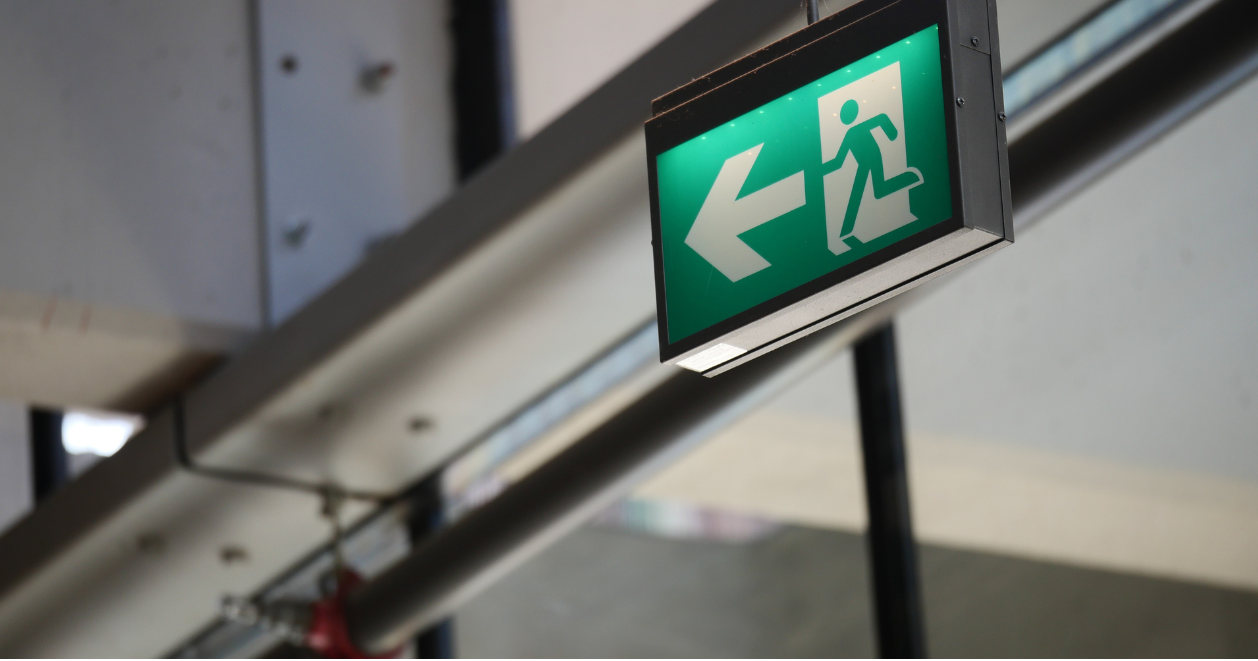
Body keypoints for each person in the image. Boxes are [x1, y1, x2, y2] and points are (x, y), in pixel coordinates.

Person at [833, 98, 920, 236]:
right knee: (880, 190)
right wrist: (820, 170)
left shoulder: (857, 129)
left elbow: (881, 118)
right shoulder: (849, 134)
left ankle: (846, 230)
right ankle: (909, 178)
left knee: (867, 190)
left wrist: (891, 132)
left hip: (873, 158)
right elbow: (838, 161)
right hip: (864, 163)